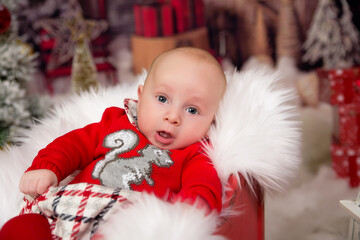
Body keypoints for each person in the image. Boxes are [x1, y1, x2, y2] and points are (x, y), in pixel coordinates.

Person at [0, 47, 227, 239]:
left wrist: (189, 211)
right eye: (162, 99)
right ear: (141, 96)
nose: (172, 116)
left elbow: (204, 187)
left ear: (211, 121)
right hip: (69, 208)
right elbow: (73, 144)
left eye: (192, 110)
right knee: (23, 227)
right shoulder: (115, 123)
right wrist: (47, 167)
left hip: (122, 223)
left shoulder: (194, 155)